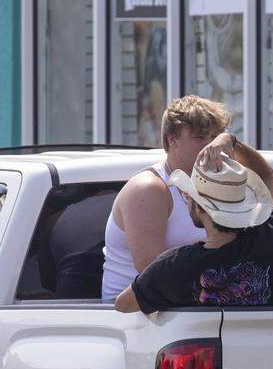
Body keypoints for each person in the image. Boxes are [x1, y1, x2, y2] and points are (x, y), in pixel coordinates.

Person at [114, 141, 273, 313]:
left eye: (189, 196)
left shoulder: (174, 267)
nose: (186, 199)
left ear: (199, 207)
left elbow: (123, 305)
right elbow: (267, 177)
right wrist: (231, 141)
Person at [101, 95, 236, 302]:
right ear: (172, 140)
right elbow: (154, 275)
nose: (210, 146)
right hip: (136, 318)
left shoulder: (216, 182)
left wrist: (230, 140)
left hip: (195, 309)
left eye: (215, 137)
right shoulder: (149, 188)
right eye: (200, 137)